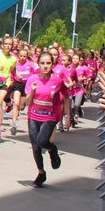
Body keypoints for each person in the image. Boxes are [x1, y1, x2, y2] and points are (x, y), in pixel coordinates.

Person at [22, 51, 68, 187]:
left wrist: (67, 115)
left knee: (42, 141)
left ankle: (52, 150)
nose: (45, 66)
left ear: (53, 64)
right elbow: (27, 103)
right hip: (33, 115)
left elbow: (65, 96)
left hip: (50, 116)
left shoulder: (58, 80)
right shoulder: (32, 79)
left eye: (48, 63)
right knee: (35, 147)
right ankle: (41, 173)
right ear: (38, 64)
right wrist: (33, 91)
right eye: (43, 63)